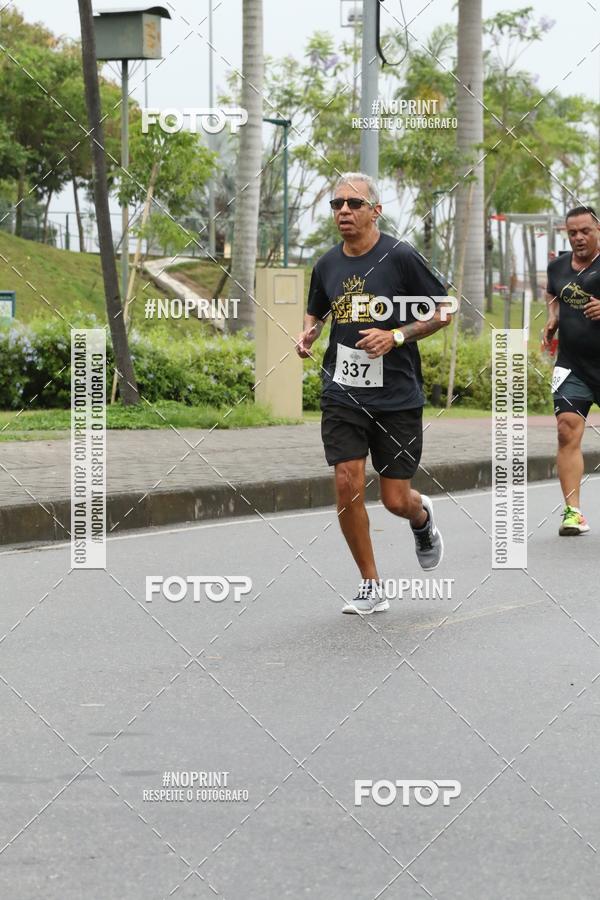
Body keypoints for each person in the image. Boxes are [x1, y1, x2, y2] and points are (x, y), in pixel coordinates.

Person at [296, 172, 452, 615]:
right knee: (346, 480)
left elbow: (445, 310)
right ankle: (370, 584)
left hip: (396, 395)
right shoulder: (326, 264)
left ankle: (421, 518)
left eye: (354, 203)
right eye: (337, 204)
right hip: (342, 391)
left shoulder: (400, 256)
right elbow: (316, 311)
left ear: (375, 211)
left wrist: (396, 336)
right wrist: (309, 334)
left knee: (395, 499)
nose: (343, 211)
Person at [543, 205, 600, 535]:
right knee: (566, 429)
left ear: (598, 230)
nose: (578, 237)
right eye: (572, 232)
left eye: (585, 231)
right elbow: (552, 293)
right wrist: (553, 317)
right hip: (573, 364)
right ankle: (573, 512)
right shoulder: (557, 266)